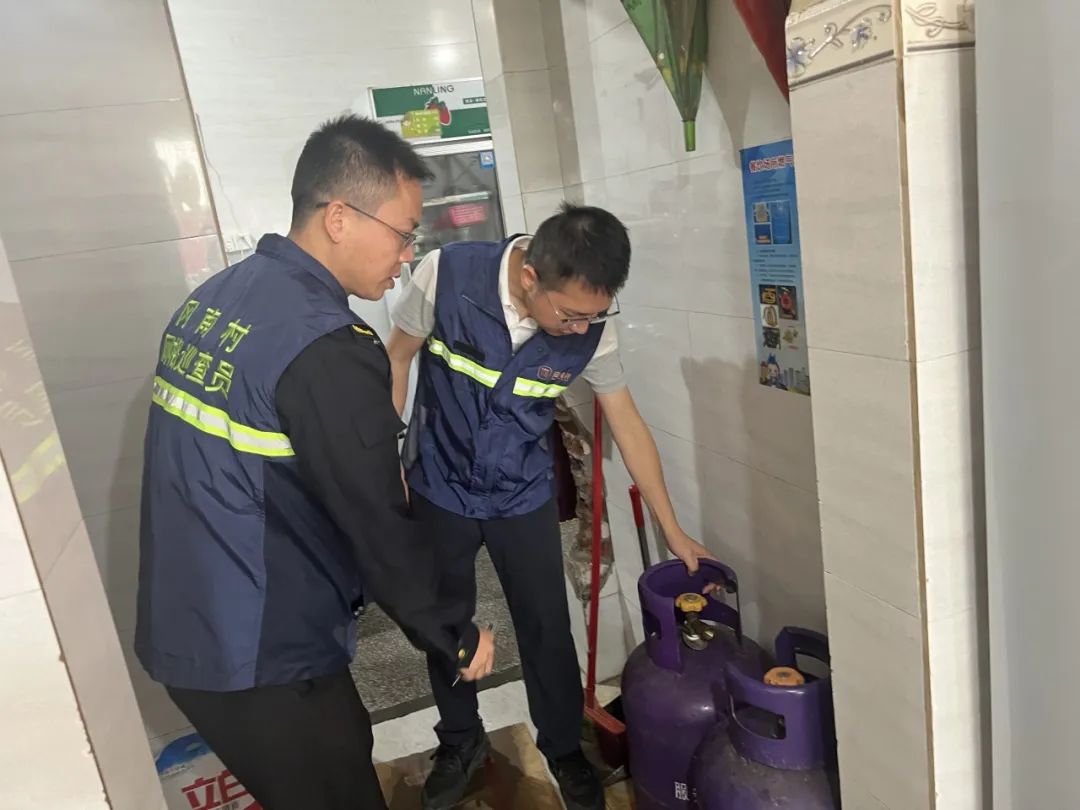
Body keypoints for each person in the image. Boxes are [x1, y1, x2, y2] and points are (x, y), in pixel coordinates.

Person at [135, 115, 495, 810]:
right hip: (260, 645)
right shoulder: (327, 347)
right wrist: (452, 633)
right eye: (403, 233)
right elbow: (376, 520)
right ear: (339, 217)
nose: (406, 257)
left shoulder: (215, 299)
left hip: (191, 620)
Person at [386, 203, 713, 810]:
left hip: (521, 491)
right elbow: (397, 357)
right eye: (569, 314)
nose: (579, 328)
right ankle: (460, 740)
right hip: (440, 483)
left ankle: (563, 748)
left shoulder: (592, 326)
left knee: (546, 628)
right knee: (446, 623)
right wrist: (389, 465)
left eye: (595, 314)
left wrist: (671, 527)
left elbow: (627, 421)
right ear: (530, 277)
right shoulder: (446, 274)